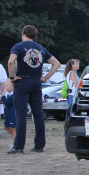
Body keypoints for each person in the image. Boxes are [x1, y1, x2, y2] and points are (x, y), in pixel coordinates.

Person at [8, 25, 61, 154]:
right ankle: (39, 145)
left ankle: (19, 146)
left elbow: (10, 62)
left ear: (23, 33)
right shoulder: (40, 48)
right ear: (35, 35)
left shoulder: (18, 46)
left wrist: (12, 78)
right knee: (38, 113)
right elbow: (57, 63)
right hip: (37, 82)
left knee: (21, 113)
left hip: (22, 81)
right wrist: (45, 78)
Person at [1, 80, 16, 148]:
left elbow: (6, 102)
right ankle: (16, 137)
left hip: (13, 114)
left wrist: (3, 96)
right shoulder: (9, 95)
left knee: (13, 128)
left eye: (7, 86)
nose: (5, 88)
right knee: (5, 126)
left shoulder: (13, 95)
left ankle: (14, 142)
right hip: (8, 114)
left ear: (12, 87)